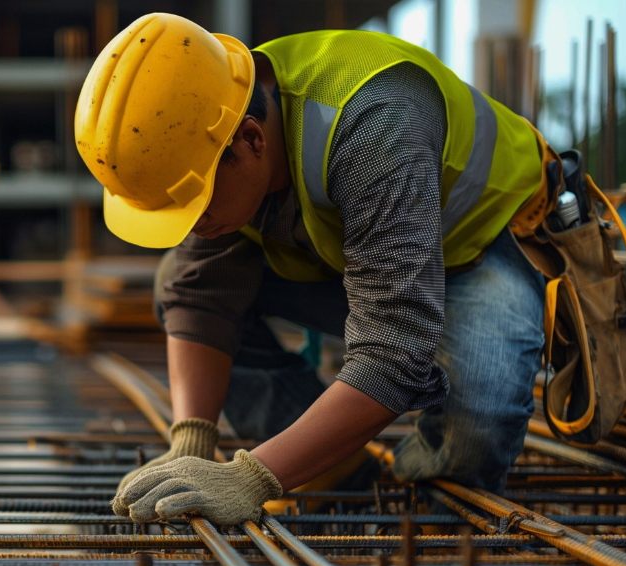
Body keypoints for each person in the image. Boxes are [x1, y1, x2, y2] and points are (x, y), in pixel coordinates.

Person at [75, 14, 554, 526]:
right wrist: (191, 440)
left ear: (253, 142)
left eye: (194, 203)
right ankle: (339, 469)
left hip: (480, 245)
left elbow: (395, 350)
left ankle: (439, 522)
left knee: (480, 421)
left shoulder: (371, 123)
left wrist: (251, 477)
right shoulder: (208, 113)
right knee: (176, 275)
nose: (192, 224)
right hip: (365, 253)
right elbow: (201, 294)